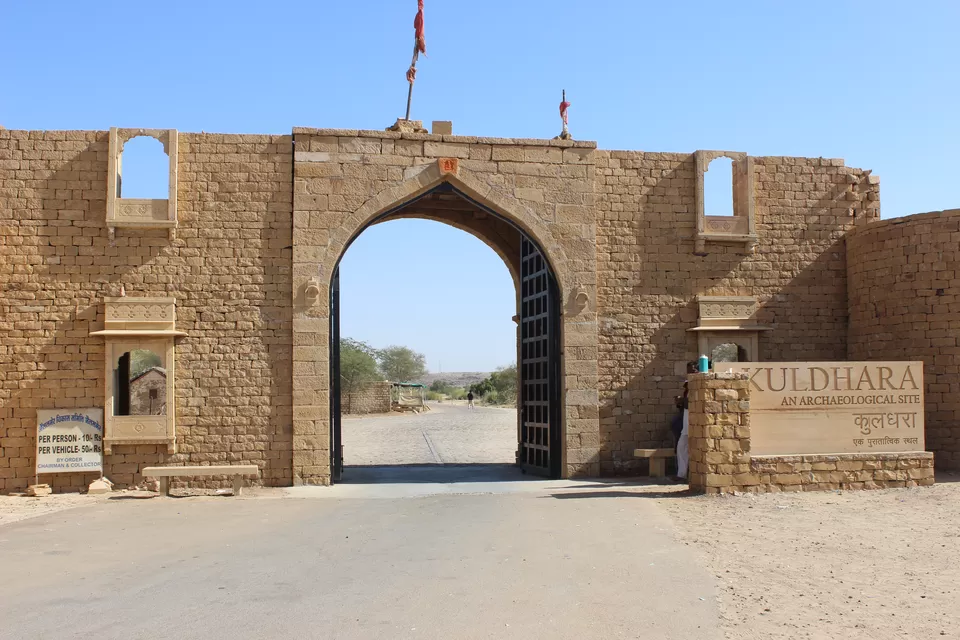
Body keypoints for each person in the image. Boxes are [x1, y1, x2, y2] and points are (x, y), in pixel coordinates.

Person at [673, 361, 698, 482]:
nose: (690, 373)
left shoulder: (697, 384)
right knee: (681, 446)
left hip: (693, 419)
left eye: (692, 370)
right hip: (686, 419)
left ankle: (686, 474)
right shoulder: (688, 385)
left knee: (687, 446)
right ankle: (681, 474)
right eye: (688, 370)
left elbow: (693, 401)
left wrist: (682, 401)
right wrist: (680, 402)